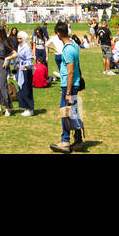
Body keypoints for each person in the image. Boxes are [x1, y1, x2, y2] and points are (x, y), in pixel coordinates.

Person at [49, 21, 85, 153]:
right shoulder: (73, 44)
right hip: (73, 83)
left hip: (69, 85)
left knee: (65, 112)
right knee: (73, 111)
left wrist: (68, 91)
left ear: (58, 33)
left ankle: (65, 141)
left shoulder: (68, 49)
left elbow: (70, 71)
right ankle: (78, 139)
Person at [14, 30, 34, 115]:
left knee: (26, 89)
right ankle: (25, 107)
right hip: (20, 70)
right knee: (22, 89)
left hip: (26, 71)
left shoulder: (26, 48)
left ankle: (30, 108)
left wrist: (25, 66)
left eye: (20, 39)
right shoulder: (19, 47)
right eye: (18, 39)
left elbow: (29, 60)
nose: (18, 40)